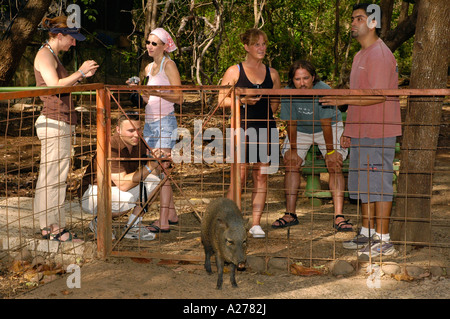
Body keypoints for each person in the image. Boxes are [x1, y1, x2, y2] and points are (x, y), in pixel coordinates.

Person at [320, 3, 401, 257]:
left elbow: (378, 96)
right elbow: (359, 96)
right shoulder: (359, 55)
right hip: (361, 130)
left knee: (379, 183)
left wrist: (339, 100)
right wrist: (349, 129)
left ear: (373, 23)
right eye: (353, 19)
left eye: (359, 18)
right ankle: (367, 233)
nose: (353, 23)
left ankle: (384, 239)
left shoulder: (379, 53)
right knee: (364, 184)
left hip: (380, 128)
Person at [33, 16, 99, 242]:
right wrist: (80, 72)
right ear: (59, 36)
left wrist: (79, 78)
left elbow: (62, 86)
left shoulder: (51, 55)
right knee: (54, 178)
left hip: (59, 122)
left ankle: (49, 227)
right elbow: (54, 85)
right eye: (72, 39)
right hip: (54, 122)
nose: (74, 43)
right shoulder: (44, 55)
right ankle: (54, 229)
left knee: (50, 177)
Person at [272, 60, 352, 232]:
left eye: (306, 78)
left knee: (334, 163)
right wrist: (293, 150)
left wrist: (330, 152)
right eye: (297, 79)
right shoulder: (287, 93)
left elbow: (325, 124)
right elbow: (291, 123)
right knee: (291, 163)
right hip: (301, 129)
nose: (302, 83)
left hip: (329, 127)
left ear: (313, 77)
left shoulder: (323, 90)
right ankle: (290, 214)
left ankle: (338, 216)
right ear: (292, 80)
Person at [220, 28, 281, 238]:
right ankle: (232, 222)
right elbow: (220, 100)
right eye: (257, 44)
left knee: (261, 176)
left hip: (266, 128)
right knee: (239, 175)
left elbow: (275, 103)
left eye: (264, 44)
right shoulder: (234, 71)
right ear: (246, 47)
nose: (261, 48)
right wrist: (241, 101)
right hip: (240, 128)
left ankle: (256, 224)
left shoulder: (272, 74)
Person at [80, 112, 162, 241]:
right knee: (126, 199)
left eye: (139, 129)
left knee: (155, 180)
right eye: (131, 131)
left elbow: (154, 168)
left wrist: (158, 158)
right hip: (94, 192)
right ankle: (99, 221)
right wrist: (150, 167)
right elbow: (123, 185)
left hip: (118, 188)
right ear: (118, 130)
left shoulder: (138, 141)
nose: (136, 134)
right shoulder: (111, 145)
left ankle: (133, 225)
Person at [134, 27, 182, 234]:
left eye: (155, 43)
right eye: (148, 42)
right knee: (158, 168)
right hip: (150, 122)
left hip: (165, 122)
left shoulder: (169, 65)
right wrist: (138, 91)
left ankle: (162, 221)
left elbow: (180, 98)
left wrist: (157, 93)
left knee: (162, 170)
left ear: (164, 46)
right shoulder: (147, 68)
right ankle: (171, 214)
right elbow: (148, 98)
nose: (150, 46)